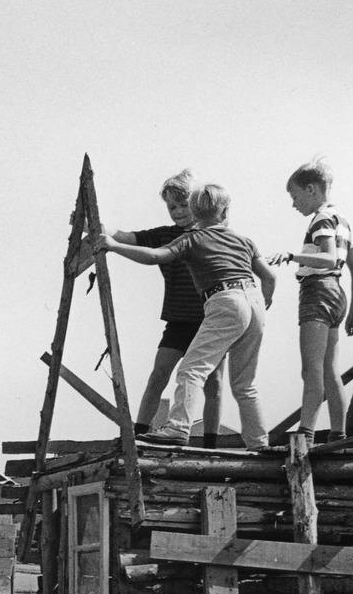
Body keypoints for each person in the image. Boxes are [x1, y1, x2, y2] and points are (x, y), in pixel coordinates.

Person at [98, 183, 277, 450]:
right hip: (253, 301)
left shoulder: (193, 238)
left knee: (191, 370)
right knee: (244, 384)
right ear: (225, 211)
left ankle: (178, 428)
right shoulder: (243, 240)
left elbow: (156, 256)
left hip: (225, 300)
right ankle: (259, 444)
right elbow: (270, 277)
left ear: (194, 212)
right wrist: (265, 299)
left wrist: (113, 246)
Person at [102, 167, 223, 431]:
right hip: (179, 320)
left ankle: (210, 442)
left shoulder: (212, 235)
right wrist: (99, 228)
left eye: (183, 205)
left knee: (213, 384)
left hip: (210, 319)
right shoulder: (165, 235)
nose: (178, 212)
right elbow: (127, 237)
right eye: (172, 207)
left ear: (197, 203)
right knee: (158, 375)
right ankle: (139, 432)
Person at [269, 158, 353, 440]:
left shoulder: (321, 219)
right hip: (336, 294)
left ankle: (305, 435)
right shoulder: (342, 221)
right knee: (330, 370)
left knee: (311, 370)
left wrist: (292, 256)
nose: (294, 204)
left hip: (318, 292)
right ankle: (338, 434)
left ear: (311, 189)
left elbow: (329, 258)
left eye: (295, 196)